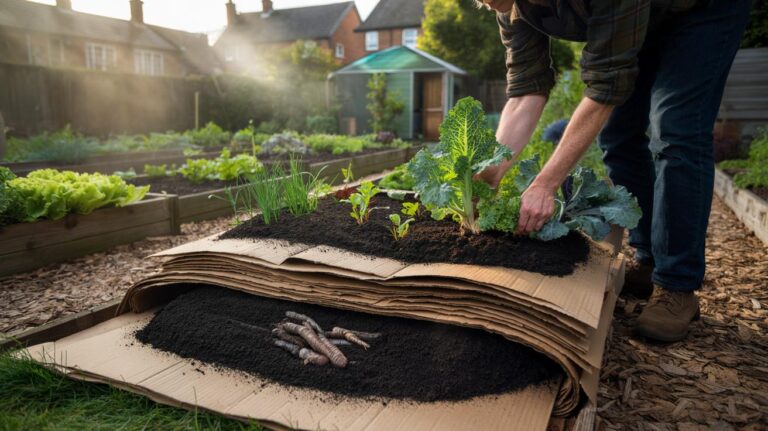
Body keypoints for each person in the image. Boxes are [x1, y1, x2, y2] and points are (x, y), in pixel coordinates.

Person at [477, 0, 751, 342]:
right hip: (644, 18)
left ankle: (677, 287)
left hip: (700, 12)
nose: (487, 3)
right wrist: (488, 175)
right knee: (619, 136)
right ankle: (650, 260)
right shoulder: (510, 7)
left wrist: (545, 185)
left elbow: (606, 85)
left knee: (676, 131)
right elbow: (525, 90)